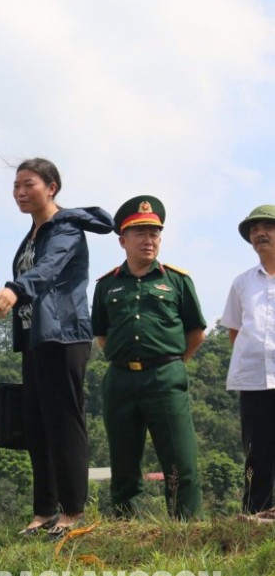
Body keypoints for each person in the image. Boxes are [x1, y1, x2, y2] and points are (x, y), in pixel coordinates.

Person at [0, 158, 112, 539]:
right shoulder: (32, 234)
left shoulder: (66, 228)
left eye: (28, 184)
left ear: (52, 187)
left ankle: (73, 511)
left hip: (65, 334)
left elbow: (49, 269)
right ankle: (44, 510)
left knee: (64, 422)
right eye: (16, 186)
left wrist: (15, 287)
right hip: (36, 338)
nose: (20, 193)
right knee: (37, 425)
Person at [92, 195, 206, 520]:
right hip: (121, 380)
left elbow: (195, 332)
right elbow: (102, 334)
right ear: (122, 240)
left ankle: (186, 530)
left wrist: (170, 363)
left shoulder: (177, 281)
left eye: (154, 233)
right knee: (124, 464)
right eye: (140, 233)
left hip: (166, 377)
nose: (149, 240)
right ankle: (127, 528)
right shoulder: (106, 286)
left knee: (180, 462)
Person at [221, 205, 275, 513]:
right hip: (254, 379)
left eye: (267, 226)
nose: (260, 233)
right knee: (257, 450)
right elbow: (234, 331)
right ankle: (257, 514)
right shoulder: (242, 283)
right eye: (254, 229)